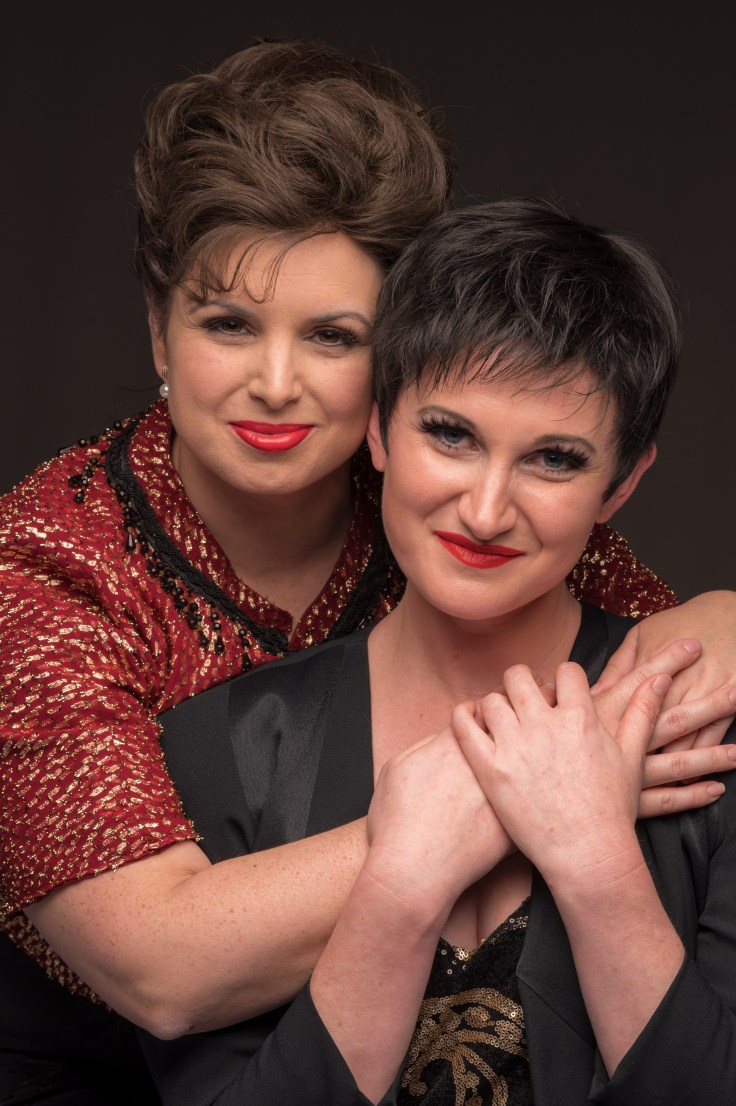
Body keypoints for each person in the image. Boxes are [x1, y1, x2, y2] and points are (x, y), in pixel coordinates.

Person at [0, 39, 734, 1106]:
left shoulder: (439, 498)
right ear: (159, 327)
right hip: (82, 1068)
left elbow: (655, 628)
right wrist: (518, 801)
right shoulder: (45, 570)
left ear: (393, 363)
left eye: (334, 334)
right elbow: (161, 971)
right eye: (227, 323)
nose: (276, 383)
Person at [137, 199, 736, 1105]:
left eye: (555, 460)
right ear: (379, 428)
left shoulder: (711, 729)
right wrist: (399, 887)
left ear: (623, 481)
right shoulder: (225, 743)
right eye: (449, 435)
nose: (487, 510)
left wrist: (593, 860)